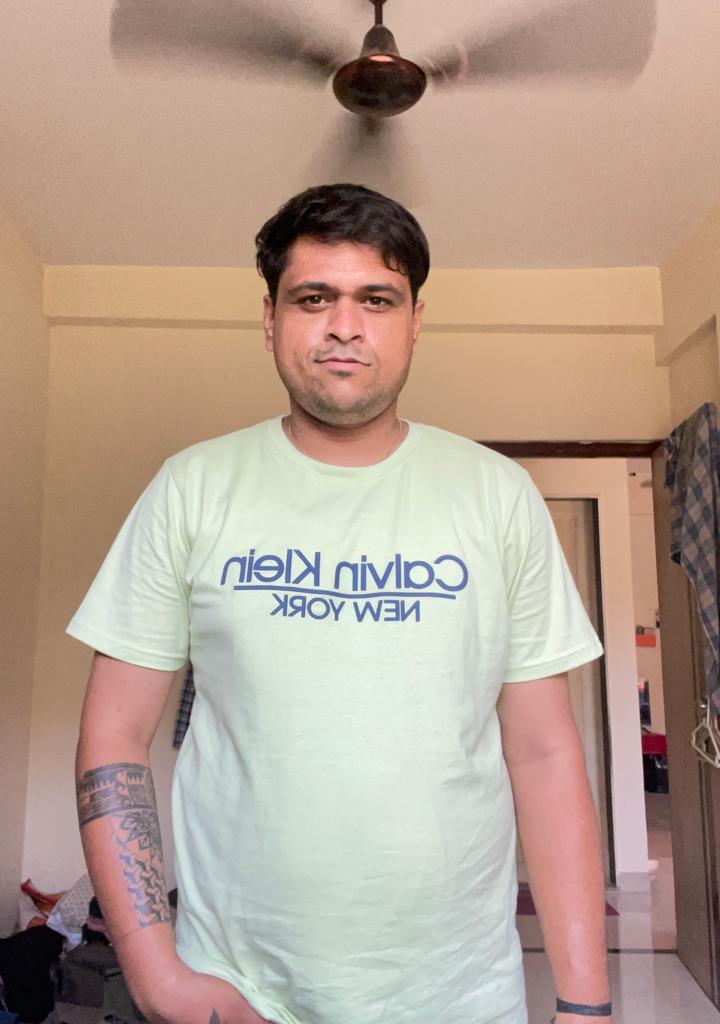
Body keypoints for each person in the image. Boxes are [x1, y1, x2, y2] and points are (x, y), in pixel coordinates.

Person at [70, 183, 612, 1024]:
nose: (345, 326)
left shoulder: (499, 496)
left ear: (416, 321)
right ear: (270, 318)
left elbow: (543, 754)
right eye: (313, 298)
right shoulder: (192, 488)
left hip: (460, 996)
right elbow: (114, 736)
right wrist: (156, 977)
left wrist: (586, 1004)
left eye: (377, 300)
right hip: (238, 992)